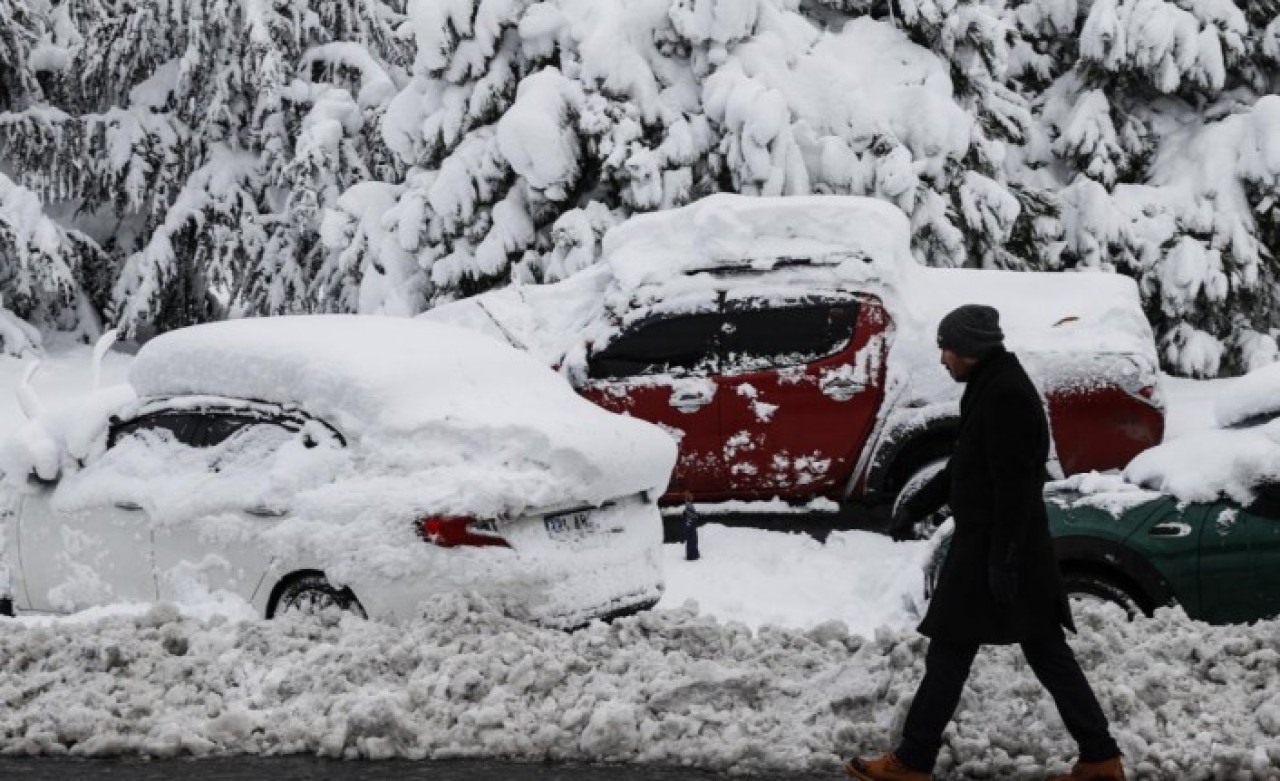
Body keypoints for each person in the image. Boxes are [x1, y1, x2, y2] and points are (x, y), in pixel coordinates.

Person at [845, 304, 1125, 781]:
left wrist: (1004, 562)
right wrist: (917, 504)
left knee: (960, 653)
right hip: (1000, 549)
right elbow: (966, 464)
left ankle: (912, 763)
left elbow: (1016, 486)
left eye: (946, 350)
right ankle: (1099, 757)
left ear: (969, 352)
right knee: (1036, 652)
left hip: (998, 551)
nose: (942, 360)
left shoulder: (1006, 395)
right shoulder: (990, 386)